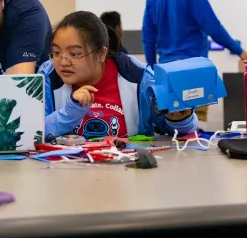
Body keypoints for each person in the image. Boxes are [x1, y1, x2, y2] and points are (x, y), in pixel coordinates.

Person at [40, 11, 198, 141]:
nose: (63, 62)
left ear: (101, 54)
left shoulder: (137, 77)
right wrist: (70, 112)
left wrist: (180, 118)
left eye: (74, 54)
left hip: (130, 170)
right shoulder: (48, 77)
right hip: (65, 174)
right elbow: (33, 131)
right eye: (56, 52)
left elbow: (173, 129)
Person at [142, 0, 247, 123]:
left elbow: (148, 39)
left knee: (173, 125)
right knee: (194, 126)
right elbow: (213, 27)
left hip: (167, 71)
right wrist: (238, 50)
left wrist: (152, 70)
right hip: (195, 70)